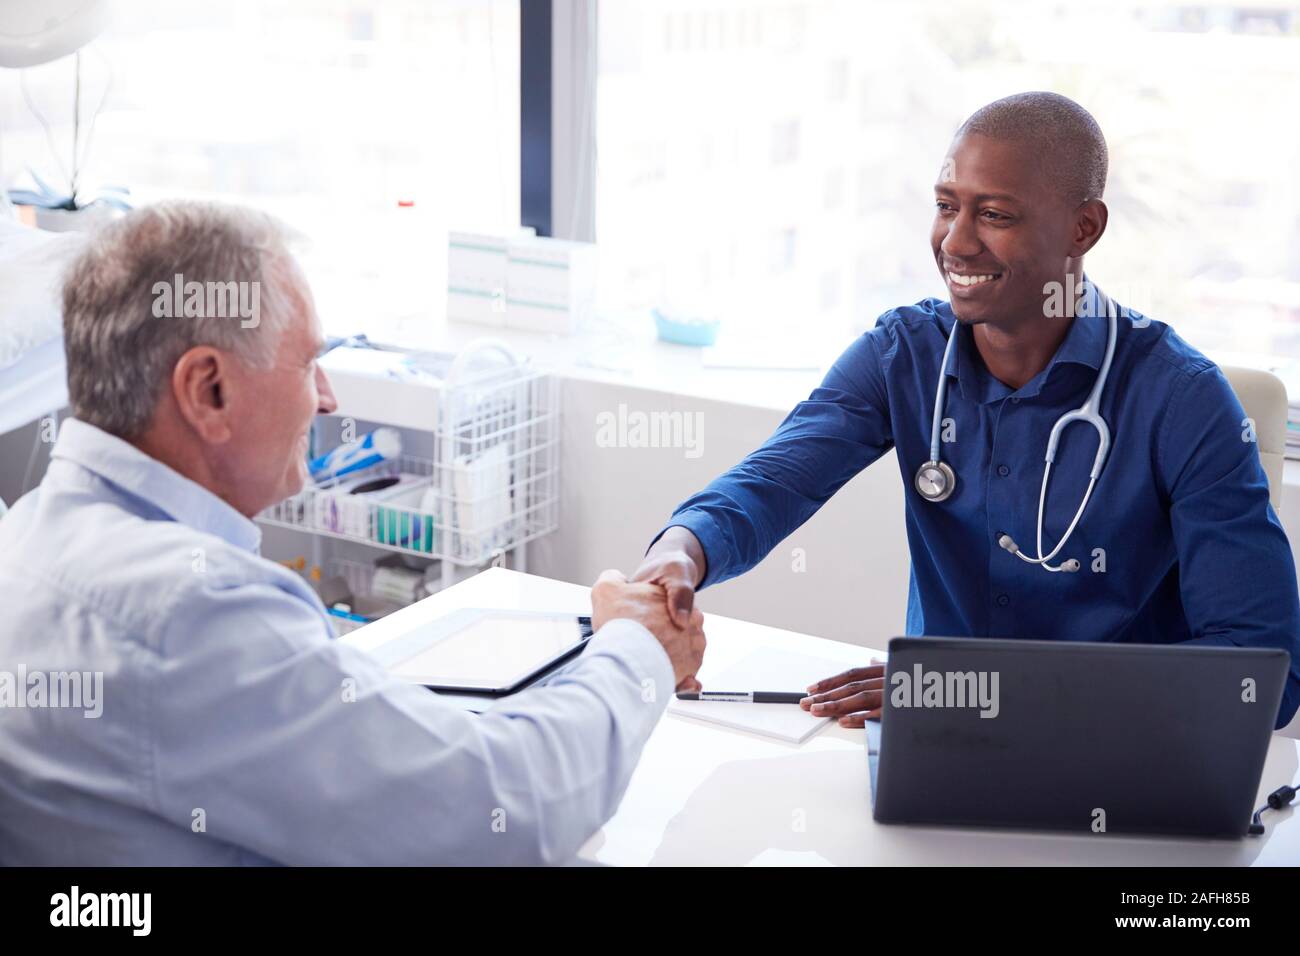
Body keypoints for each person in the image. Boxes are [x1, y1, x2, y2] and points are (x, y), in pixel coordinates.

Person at [0, 201, 705, 865]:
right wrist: (638, 650)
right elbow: (508, 810)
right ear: (208, 390)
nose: (327, 398)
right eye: (308, 362)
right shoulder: (190, 613)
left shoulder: (29, 534)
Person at [633, 92, 1300, 730]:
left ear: (1083, 227)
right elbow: (771, 484)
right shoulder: (904, 354)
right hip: (937, 739)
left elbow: (1264, 674)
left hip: (1121, 746)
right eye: (946, 205)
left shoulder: (1183, 400)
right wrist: (679, 555)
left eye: (995, 215)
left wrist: (985, 693)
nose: (954, 241)